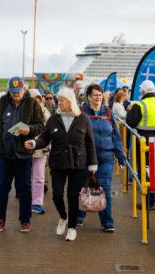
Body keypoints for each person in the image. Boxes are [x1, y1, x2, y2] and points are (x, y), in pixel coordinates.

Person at [24, 88, 97, 241]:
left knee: (72, 196)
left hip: (78, 162)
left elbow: (90, 143)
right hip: (57, 161)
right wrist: (34, 142)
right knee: (57, 195)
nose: (59, 102)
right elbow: (44, 139)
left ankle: (71, 227)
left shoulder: (83, 118)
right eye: (59, 100)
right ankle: (63, 217)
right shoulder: (53, 119)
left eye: (62, 100)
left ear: (70, 101)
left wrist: (93, 164)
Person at [0, 76, 44, 233]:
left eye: (18, 92)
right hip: (5, 153)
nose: (16, 95)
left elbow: (40, 125)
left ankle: (25, 220)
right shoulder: (1, 102)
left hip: (23, 153)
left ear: (24, 89)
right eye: (13, 93)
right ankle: (0, 219)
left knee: (24, 187)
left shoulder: (32, 104)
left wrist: (29, 130)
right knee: (2, 186)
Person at [78, 84, 127, 232]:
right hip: (86, 158)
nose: (98, 97)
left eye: (100, 95)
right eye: (95, 95)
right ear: (88, 97)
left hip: (106, 157)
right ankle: (79, 217)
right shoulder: (81, 113)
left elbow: (116, 137)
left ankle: (107, 222)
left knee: (104, 189)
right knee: (83, 187)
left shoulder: (108, 113)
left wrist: (121, 156)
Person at [126, 80, 155, 208]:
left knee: (144, 171)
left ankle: (149, 202)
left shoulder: (139, 105)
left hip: (144, 142)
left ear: (143, 91)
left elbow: (131, 122)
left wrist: (129, 110)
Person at [28, 89, 51, 214]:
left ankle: (36, 203)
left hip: (41, 148)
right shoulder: (23, 111)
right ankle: (27, 199)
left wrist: (42, 109)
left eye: (38, 98)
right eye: (34, 98)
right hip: (25, 148)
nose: (37, 101)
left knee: (39, 177)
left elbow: (51, 124)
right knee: (25, 177)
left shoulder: (44, 110)